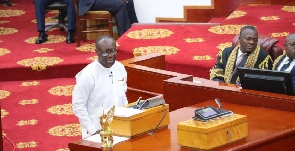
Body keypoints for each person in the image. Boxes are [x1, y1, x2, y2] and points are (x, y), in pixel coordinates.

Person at [72, 35, 128, 139]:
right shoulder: (87, 75)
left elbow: (123, 94)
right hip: (96, 130)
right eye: (105, 52)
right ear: (97, 52)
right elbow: (78, 105)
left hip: (120, 127)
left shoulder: (120, 68)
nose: (110, 55)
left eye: (113, 51)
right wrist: (92, 130)